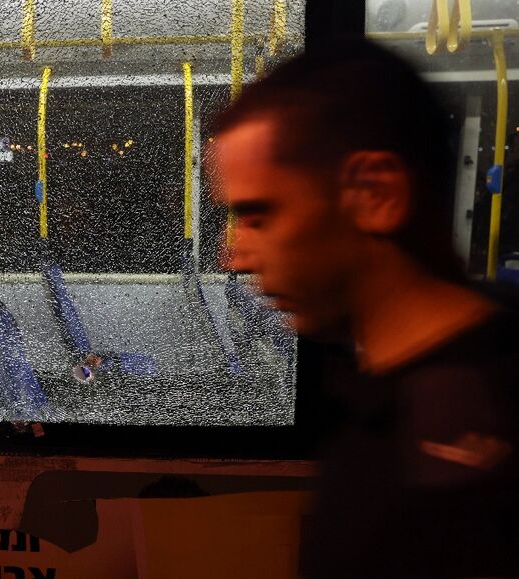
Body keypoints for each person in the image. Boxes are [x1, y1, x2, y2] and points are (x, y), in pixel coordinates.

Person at [210, 40, 519, 578]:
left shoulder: (471, 467)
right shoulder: (381, 407)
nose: (232, 258)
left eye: (259, 216)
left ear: (375, 195)